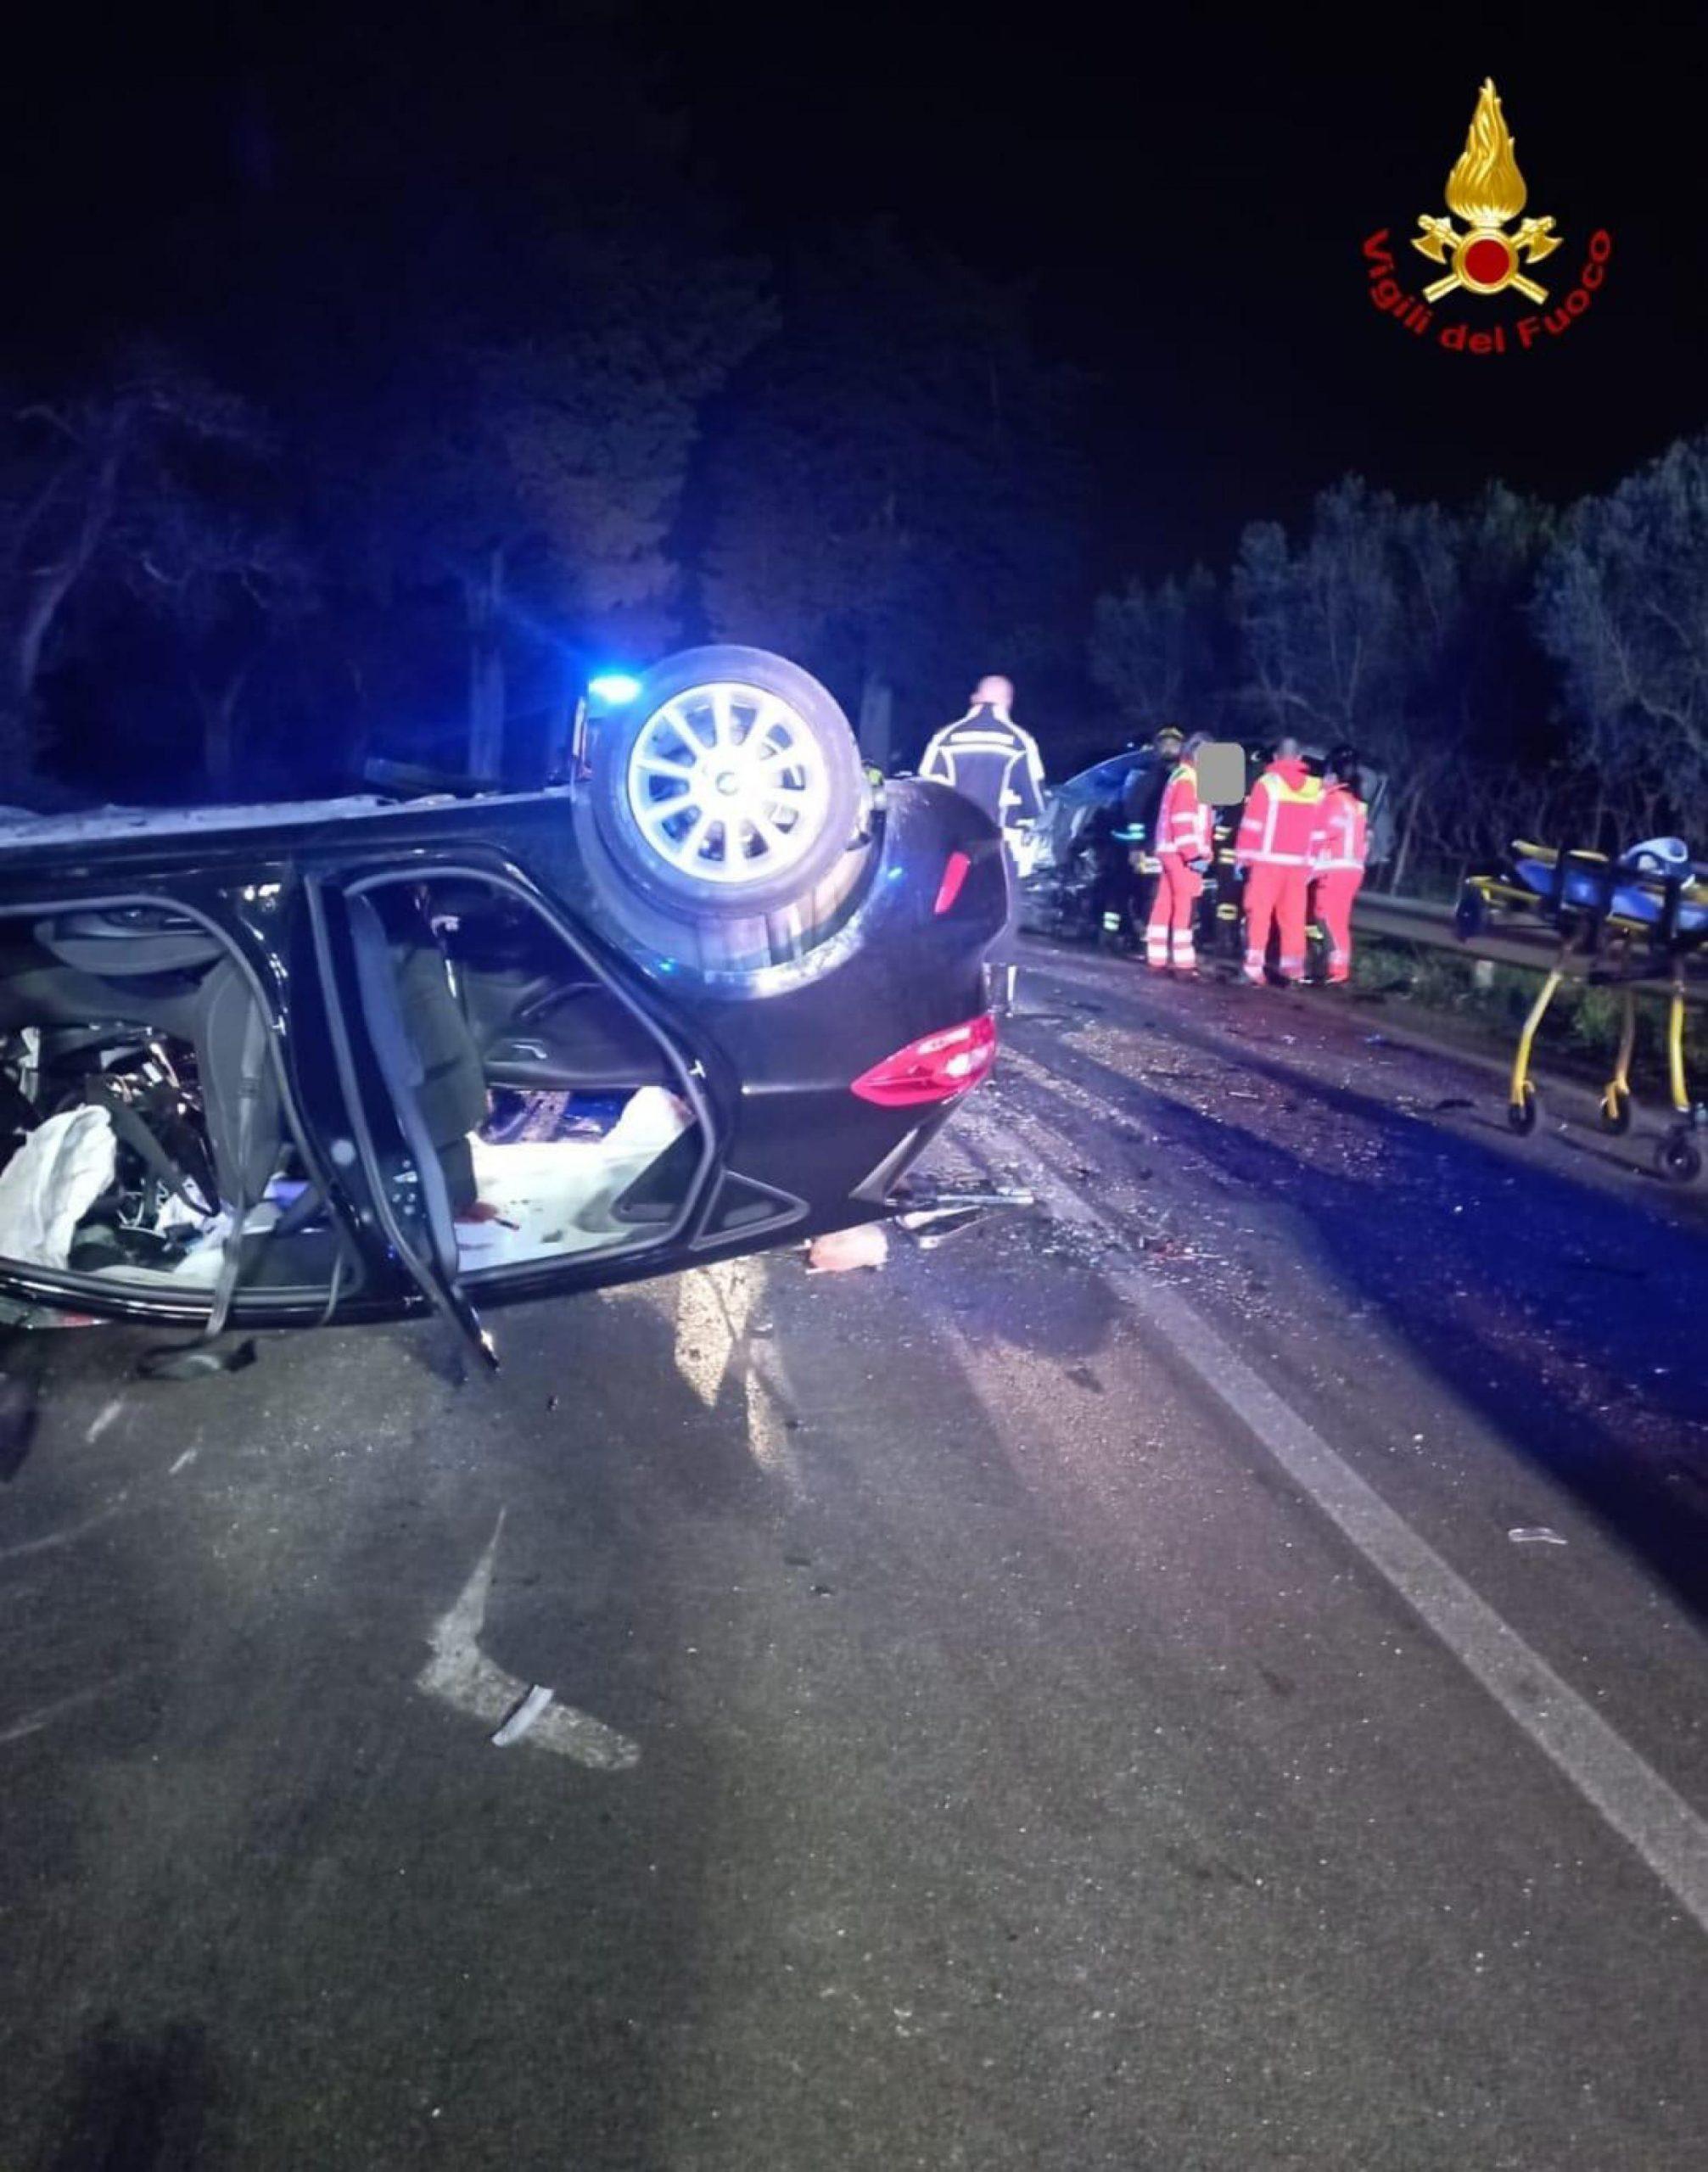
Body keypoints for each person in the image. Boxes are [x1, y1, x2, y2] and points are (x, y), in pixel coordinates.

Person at [920, 675, 1045, 1009]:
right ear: (1007, 701)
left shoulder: (945, 738)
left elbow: (928, 792)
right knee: (1002, 912)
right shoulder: (1019, 742)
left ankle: (947, 987)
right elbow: (1035, 804)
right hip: (1000, 842)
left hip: (954, 843)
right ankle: (997, 995)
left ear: (976, 698)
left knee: (951, 908)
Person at [1235, 736, 1323, 984]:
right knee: (1294, 918)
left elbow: (1252, 825)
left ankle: (1253, 969)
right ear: (1299, 758)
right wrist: (1313, 862)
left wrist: (1242, 858)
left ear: (1275, 757)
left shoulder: (1267, 783)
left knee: (1259, 915)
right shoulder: (1315, 789)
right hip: (1298, 866)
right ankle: (1294, 972)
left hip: (1266, 862)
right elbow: (1319, 831)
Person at [1145, 731, 1212, 972]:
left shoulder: (1182, 776)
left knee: (1164, 903)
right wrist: (1193, 855)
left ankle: (1157, 957)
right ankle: (1183, 962)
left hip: (1170, 850)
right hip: (1182, 853)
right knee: (1184, 904)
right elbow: (1183, 820)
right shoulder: (1189, 779)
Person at [1309, 746, 1369, 984]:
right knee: (1339, 920)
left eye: (1324, 776)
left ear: (1333, 777)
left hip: (1335, 869)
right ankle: (1339, 969)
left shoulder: (1333, 801)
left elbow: (1320, 836)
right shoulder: (1355, 803)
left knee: (1326, 918)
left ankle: (1336, 969)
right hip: (1353, 869)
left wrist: (1308, 867)